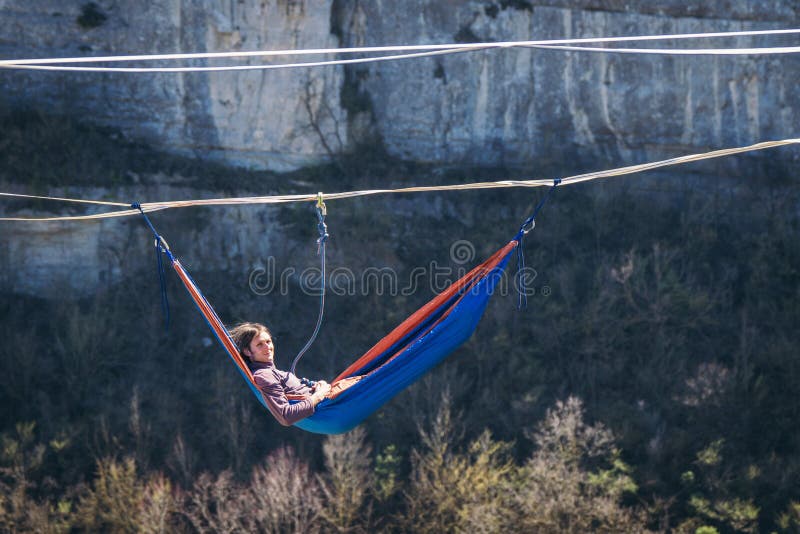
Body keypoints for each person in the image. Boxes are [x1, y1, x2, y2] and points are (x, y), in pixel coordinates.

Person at [229, 322, 331, 426]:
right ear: (247, 351)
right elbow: (285, 416)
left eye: (268, 342)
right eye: (260, 344)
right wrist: (319, 395)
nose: (267, 347)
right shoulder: (264, 376)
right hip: (327, 408)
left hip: (328, 402)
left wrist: (317, 385)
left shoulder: (273, 372)